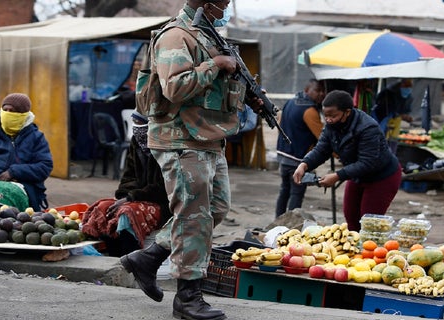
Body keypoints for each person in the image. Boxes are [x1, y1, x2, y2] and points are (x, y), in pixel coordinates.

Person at [119, 1, 261, 319]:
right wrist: (216, 65)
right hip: (180, 139)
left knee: (215, 209)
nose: (225, 5)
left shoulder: (208, 35)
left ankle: (148, 258)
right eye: (221, 1)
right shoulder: (177, 35)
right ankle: (187, 297)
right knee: (193, 216)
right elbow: (174, 87)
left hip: (207, 138)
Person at [293, 90, 402, 231]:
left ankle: (369, 251)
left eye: (333, 116)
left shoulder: (368, 128)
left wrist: (338, 176)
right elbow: (321, 150)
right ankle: (353, 250)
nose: (329, 119)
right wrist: (304, 164)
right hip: (356, 175)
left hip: (382, 177)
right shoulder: (331, 127)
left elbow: (368, 162)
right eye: (325, 115)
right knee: (351, 217)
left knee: (369, 223)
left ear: (347, 112)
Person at [81, 110, 171, 256]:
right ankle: (114, 257)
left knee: (127, 212)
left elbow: (163, 188)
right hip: (136, 198)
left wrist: (130, 198)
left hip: (162, 203)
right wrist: (123, 196)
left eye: (141, 124)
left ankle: (130, 257)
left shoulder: (164, 148)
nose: (137, 128)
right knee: (104, 207)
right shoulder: (136, 143)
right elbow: (129, 177)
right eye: (135, 123)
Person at [0, 93, 53, 211]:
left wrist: (14, 172)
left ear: (23, 114)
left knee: (13, 212)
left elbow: (44, 166)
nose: (7, 113)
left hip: (24, 186)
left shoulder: (36, 138)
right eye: (5, 109)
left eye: (12, 111)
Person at [275, 79, 325, 218]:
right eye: (317, 91)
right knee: (296, 194)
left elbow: (280, 125)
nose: (321, 94)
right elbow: (322, 138)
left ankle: (277, 222)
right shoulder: (309, 110)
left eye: (323, 91)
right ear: (307, 90)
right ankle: (290, 228)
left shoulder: (291, 102)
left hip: (283, 156)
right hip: (297, 160)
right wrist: (338, 154)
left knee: (284, 191)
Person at [372, 78, 414, 153]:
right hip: (382, 118)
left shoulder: (408, 97)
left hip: (395, 123)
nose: (408, 90)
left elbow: (405, 109)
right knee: (380, 140)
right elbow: (383, 107)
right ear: (401, 85)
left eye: (409, 88)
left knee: (392, 143)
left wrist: (405, 116)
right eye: (406, 87)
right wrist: (400, 115)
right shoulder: (388, 93)